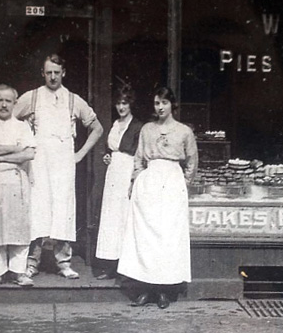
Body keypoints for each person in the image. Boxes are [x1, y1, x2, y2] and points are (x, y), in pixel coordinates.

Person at [14, 54, 103, 279]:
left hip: (63, 162)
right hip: (39, 161)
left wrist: (80, 154)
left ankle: (63, 262)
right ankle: (32, 262)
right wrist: (24, 145)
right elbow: (10, 122)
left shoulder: (74, 100)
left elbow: (98, 128)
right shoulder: (31, 97)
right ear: (42, 73)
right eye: (48, 72)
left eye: (57, 72)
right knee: (38, 209)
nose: (52, 77)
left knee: (63, 210)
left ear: (64, 72)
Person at [117, 86, 198, 308]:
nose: (159, 107)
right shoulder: (147, 129)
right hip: (149, 183)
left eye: (164, 103)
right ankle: (146, 289)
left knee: (167, 237)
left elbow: (191, 162)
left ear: (172, 104)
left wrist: (183, 185)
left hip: (172, 184)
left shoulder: (184, 132)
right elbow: (139, 159)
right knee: (146, 237)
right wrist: (135, 182)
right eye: (156, 103)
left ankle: (164, 290)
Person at [0, 84, 37, 287]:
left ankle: (18, 271)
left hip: (16, 181)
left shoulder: (22, 127)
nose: (4, 104)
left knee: (18, 225)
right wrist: (13, 149)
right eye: (0, 100)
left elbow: (29, 154)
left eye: (8, 101)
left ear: (14, 103)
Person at [95, 84, 143, 279]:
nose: (121, 107)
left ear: (131, 104)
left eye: (124, 103)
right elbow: (112, 149)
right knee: (111, 218)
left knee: (125, 217)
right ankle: (110, 264)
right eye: (118, 103)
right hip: (113, 173)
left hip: (127, 173)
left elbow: (139, 155)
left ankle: (126, 268)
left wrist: (133, 179)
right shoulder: (115, 125)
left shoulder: (138, 126)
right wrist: (108, 156)